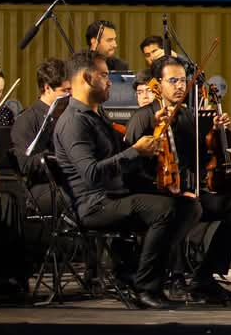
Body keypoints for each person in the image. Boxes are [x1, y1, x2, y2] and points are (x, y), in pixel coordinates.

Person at [53, 51, 197, 309]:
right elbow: (92, 174)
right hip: (95, 203)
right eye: (105, 76)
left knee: (188, 206)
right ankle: (146, 288)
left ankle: (140, 273)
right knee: (165, 210)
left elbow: (120, 152)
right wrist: (135, 151)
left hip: (116, 194)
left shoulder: (96, 114)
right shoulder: (73, 121)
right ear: (87, 78)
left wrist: (153, 127)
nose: (110, 82)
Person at [122, 56, 231, 302]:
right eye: (173, 80)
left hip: (188, 192)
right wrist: (168, 190)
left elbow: (202, 158)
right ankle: (159, 281)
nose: (180, 86)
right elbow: (130, 170)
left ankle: (204, 277)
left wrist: (217, 131)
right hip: (156, 194)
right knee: (182, 207)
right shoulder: (143, 117)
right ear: (157, 84)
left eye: (183, 80)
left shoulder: (186, 116)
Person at [10, 58, 71, 215]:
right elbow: (25, 165)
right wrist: (55, 157)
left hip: (70, 181)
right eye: (64, 91)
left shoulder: (71, 116)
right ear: (47, 88)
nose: (69, 96)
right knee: (81, 198)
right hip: (43, 188)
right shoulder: (26, 120)